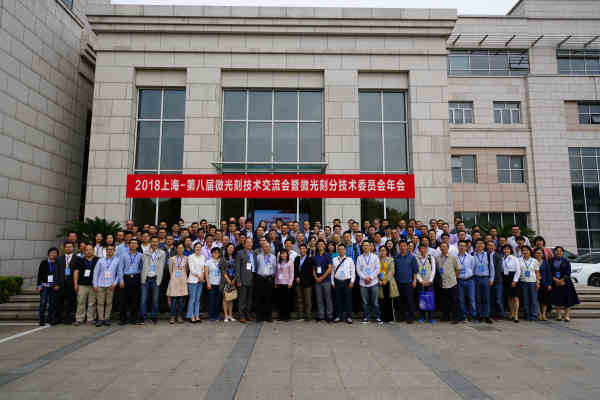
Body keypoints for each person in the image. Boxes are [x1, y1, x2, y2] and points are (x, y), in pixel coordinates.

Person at [92, 243, 120, 327]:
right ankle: (100, 319)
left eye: (111, 249)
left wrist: (114, 284)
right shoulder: (101, 260)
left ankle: (107, 319)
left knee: (109, 303)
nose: (109, 251)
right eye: (108, 249)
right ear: (106, 251)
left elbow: (119, 273)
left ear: (114, 251)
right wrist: (95, 284)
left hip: (110, 285)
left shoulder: (117, 260)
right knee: (100, 303)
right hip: (100, 284)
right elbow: (96, 272)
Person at [140, 237, 167, 324]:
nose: (154, 243)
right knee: (143, 299)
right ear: (150, 242)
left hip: (156, 278)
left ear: (158, 243)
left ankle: (154, 316)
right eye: (153, 241)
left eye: (156, 242)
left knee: (155, 300)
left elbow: (162, 266)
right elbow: (142, 264)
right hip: (146, 278)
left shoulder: (162, 253)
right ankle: (142, 317)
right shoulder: (145, 252)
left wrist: (159, 278)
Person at [550, 246, 580, 322]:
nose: (558, 252)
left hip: (565, 282)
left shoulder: (566, 261)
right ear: (554, 252)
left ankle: (567, 315)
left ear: (563, 252)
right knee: (557, 299)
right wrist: (555, 280)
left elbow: (568, 272)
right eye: (557, 251)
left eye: (560, 251)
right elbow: (549, 272)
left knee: (567, 299)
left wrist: (562, 280)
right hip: (555, 282)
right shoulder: (550, 261)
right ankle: (559, 315)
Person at [356, 240, 382, 324]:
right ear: (362, 247)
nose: (366, 247)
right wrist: (365, 278)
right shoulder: (359, 258)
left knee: (375, 301)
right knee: (365, 302)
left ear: (370, 247)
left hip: (373, 282)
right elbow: (358, 270)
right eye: (364, 245)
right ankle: (366, 317)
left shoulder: (375, 257)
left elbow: (377, 269)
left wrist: (370, 278)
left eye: (367, 245)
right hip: (363, 283)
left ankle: (377, 317)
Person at [118, 238, 142, 325]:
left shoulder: (140, 255)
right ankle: (123, 319)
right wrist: (121, 280)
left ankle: (133, 318)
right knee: (123, 300)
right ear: (129, 245)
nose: (133, 245)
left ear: (137, 245)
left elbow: (142, 267)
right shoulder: (123, 255)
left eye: (135, 243)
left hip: (136, 278)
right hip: (126, 278)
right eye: (131, 243)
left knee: (135, 299)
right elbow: (120, 268)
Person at [73, 244, 98, 325]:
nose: (88, 251)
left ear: (93, 251)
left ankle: (90, 319)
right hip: (82, 285)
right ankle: (79, 319)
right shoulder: (80, 260)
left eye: (90, 249)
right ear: (84, 251)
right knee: (80, 302)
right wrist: (75, 284)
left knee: (92, 303)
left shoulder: (98, 260)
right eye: (87, 250)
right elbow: (76, 272)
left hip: (93, 285)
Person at [434, 242, 459, 323]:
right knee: (444, 301)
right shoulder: (437, 258)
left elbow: (458, 269)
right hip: (442, 282)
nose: (443, 248)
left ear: (448, 248)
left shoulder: (453, 257)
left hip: (451, 282)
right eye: (441, 247)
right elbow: (436, 269)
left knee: (453, 301)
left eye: (445, 247)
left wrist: (454, 277)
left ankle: (455, 317)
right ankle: (446, 316)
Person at [36, 247, 62, 326]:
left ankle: (50, 319)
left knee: (52, 304)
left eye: (55, 253)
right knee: (43, 303)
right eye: (52, 253)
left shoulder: (58, 263)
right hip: (44, 286)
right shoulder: (44, 262)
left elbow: (60, 275)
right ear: (48, 254)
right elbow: (39, 274)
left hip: (53, 286)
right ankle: (41, 320)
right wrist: (39, 285)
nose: (53, 254)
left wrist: (58, 284)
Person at [394, 241, 418, 323]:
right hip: (399, 282)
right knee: (400, 300)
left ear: (407, 247)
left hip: (409, 282)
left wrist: (414, 280)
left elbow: (415, 270)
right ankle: (401, 316)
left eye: (404, 246)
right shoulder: (396, 257)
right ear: (399, 247)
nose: (402, 247)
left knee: (409, 300)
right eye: (401, 246)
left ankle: (410, 317)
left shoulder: (412, 257)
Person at [332, 243, 355, 324]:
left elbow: (353, 271)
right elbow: (332, 272)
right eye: (339, 249)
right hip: (337, 281)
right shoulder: (334, 259)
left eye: (342, 249)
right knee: (338, 300)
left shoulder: (349, 260)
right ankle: (338, 316)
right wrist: (332, 282)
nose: (341, 250)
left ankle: (348, 316)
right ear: (337, 251)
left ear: (345, 250)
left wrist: (352, 281)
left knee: (348, 300)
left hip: (347, 281)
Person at [472, 239, 494, 324]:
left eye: (481, 243)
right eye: (478, 243)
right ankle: (480, 315)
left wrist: (491, 278)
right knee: (478, 298)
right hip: (476, 278)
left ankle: (487, 315)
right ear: (475, 245)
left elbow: (491, 267)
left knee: (486, 298)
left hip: (485, 278)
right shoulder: (472, 254)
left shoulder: (488, 254)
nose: (480, 245)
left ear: (484, 246)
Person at [234, 237, 255, 323]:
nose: (249, 244)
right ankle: (241, 316)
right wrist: (238, 280)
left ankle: (248, 315)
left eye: (251, 242)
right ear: (244, 244)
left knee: (249, 299)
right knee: (242, 299)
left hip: (252, 279)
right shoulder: (240, 253)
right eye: (248, 242)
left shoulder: (254, 253)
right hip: (243, 279)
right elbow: (237, 268)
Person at [167, 243, 189, 324]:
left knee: (181, 300)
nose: (180, 249)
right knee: (173, 300)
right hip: (174, 281)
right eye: (179, 248)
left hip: (183, 281)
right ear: (176, 249)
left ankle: (179, 316)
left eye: (182, 248)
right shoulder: (172, 259)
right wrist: (173, 277)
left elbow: (187, 270)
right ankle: (172, 316)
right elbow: (170, 270)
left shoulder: (186, 258)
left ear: (183, 249)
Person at [313, 239, 334, 323]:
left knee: (328, 298)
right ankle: (321, 315)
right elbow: (313, 268)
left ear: (324, 246)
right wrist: (316, 277)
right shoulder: (315, 256)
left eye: (322, 244)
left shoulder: (328, 256)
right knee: (319, 299)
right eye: (319, 244)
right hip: (317, 281)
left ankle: (329, 315)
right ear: (317, 246)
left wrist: (322, 277)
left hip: (326, 280)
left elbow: (329, 268)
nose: (320, 245)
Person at [255, 242, 276, 322]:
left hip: (269, 279)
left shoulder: (273, 257)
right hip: (260, 279)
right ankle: (259, 317)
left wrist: (272, 277)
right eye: (264, 247)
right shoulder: (258, 257)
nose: (266, 248)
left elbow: (275, 268)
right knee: (259, 299)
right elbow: (256, 267)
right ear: (262, 248)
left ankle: (268, 316)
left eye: (267, 247)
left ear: (270, 248)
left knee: (269, 298)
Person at [56, 241, 77, 324]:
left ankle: (69, 318)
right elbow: (56, 272)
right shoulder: (59, 259)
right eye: (67, 247)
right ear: (64, 248)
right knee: (60, 302)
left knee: (71, 302)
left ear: (73, 248)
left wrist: (76, 284)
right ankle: (60, 318)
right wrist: (56, 283)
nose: (68, 248)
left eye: (70, 247)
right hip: (61, 284)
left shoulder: (77, 258)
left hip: (71, 284)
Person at [456, 240, 477, 323]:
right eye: (460, 245)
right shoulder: (455, 257)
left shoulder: (471, 257)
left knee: (471, 299)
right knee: (461, 300)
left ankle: (472, 316)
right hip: (459, 280)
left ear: (466, 247)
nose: (462, 247)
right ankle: (463, 316)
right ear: (458, 247)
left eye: (463, 246)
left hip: (469, 280)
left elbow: (473, 268)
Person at [518, 245, 540, 321]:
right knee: (525, 299)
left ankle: (534, 315)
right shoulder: (519, 260)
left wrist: (538, 282)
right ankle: (527, 314)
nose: (525, 252)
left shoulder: (534, 260)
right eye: (523, 250)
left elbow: (537, 272)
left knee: (533, 300)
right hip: (523, 282)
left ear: (530, 251)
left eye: (526, 250)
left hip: (532, 282)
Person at [415, 243, 436, 323]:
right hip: (421, 282)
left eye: (424, 248)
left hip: (429, 282)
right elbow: (416, 271)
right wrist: (421, 281)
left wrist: (430, 280)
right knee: (421, 299)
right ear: (419, 249)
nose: (422, 250)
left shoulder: (431, 257)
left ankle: (431, 317)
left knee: (430, 299)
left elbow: (433, 270)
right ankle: (422, 316)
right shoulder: (416, 258)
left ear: (426, 249)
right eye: (421, 248)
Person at [294, 243, 314, 321]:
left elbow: (310, 272)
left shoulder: (310, 259)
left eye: (303, 248)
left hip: (307, 283)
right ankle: (300, 315)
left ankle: (308, 316)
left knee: (308, 300)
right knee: (299, 299)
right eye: (301, 248)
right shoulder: (297, 258)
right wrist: (297, 277)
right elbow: (295, 269)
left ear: (306, 250)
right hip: (298, 282)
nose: (302, 250)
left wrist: (302, 279)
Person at [378, 245, 398, 323]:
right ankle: (382, 318)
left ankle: (390, 318)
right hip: (380, 283)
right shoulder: (377, 260)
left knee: (389, 301)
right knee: (381, 301)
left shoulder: (390, 260)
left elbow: (392, 271)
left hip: (389, 282)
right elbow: (375, 271)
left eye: (384, 250)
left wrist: (386, 280)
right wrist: (378, 280)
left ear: (387, 251)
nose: (382, 252)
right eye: (381, 250)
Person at [501, 244, 521, 323]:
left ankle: (516, 315)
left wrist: (515, 280)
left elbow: (518, 270)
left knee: (515, 298)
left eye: (508, 249)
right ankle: (511, 313)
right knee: (509, 297)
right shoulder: (502, 258)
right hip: (505, 278)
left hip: (513, 277)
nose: (506, 250)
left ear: (511, 250)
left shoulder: (514, 258)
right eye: (504, 249)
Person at [187, 242, 206, 323]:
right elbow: (192, 269)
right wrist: (199, 276)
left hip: (200, 281)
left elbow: (203, 269)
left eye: (199, 247)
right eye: (197, 247)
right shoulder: (191, 257)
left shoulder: (203, 257)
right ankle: (191, 315)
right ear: (194, 248)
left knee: (198, 299)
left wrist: (202, 277)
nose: (198, 248)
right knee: (192, 299)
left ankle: (197, 315)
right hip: (192, 280)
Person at [274, 248, 294, 321]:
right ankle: (281, 316)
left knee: (286, 301)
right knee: (280, 300)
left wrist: (290, 282)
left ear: (287, 255)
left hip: (287, 283)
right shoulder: (278, 262)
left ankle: (287, 316)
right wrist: (276, 282)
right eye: (282, 254)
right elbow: (276, 273)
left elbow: (292, 273)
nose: (283, 255)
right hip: (279, 283)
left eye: (284, 254)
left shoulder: (290, 262)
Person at [487, 241, 505, 321]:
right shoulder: (486, 255)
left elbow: (498, 270)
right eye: (489, 245)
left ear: (495, 247)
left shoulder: (498, 256)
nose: (490, 247)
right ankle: (492, 313)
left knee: (498, 298)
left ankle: (500, 314)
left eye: (492, 245)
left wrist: (493, 279)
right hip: (488, 280)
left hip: (497, 280)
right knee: (491, 298)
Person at [220, 243, 237, 322]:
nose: (231, 249)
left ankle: (230, 315)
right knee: (225, 298)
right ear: (226, 249)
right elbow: (223, 270)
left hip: (233, 280)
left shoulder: (235, 258)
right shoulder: (223, 258)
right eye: (229, 248)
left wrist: (234, 280)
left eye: (232, 248)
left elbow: (237, 269)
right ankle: (226, 316)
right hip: (225, 281)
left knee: (231, 298)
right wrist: (228, 280)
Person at [535, 248, 553, 321]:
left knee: (545, 299)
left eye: (540, 253)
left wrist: (549, 284)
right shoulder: (533, 261)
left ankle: (544, 314)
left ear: (542, 254)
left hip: (544, 283)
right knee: (537, 299)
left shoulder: (545, 262)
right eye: (537, 253)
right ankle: (539, 314)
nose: (538, 254)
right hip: (535, 283)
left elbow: (549, 273)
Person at [206, 247, 223, 321]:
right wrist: (208, 283)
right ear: (212, 253)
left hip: (220, 283)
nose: (216, 254)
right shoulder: (208, 262)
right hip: (212, 283)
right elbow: (206, 273)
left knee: (218, 300)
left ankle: (217, 315)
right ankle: (211, 315)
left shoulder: (221, 261)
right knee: (212, 300)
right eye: (214, 252)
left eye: (217, 252)